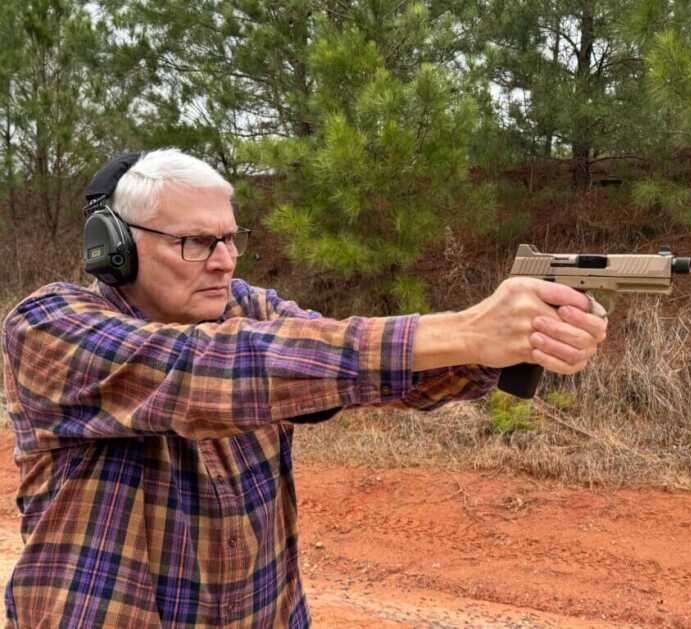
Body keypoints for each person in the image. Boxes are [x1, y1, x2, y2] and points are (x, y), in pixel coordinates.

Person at [1, 148, 607, 628]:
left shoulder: (245, 306)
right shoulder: (50, 325)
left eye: (230, 238)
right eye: (195, 243)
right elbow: (212, 370)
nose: (223, 261)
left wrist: (500, 347)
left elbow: (360, 364)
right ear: (117, 247)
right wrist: (466, 328)